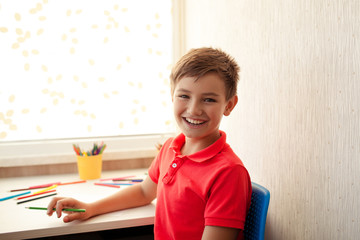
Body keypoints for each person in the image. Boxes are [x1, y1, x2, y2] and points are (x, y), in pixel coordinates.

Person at [47, 47, 252, 240]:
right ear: (172, 96)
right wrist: (89, 208)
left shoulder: (229, 173)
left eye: (208, 100)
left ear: (229, 105)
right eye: (184, 96)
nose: (193, 109)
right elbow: (144, 192)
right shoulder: (171, 148)